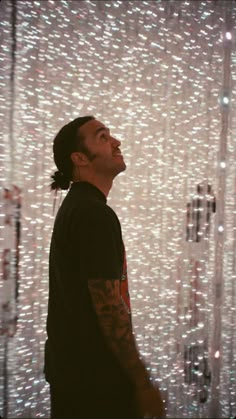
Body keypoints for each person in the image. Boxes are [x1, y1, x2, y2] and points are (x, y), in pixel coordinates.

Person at [44, 115, 165, 418]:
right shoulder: (92, 214)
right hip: (95, 385)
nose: (115, 142)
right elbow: (109, 306)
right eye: (102, 137)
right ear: (80, 158)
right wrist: (141, 383)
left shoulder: (80, 206)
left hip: (77, 376)